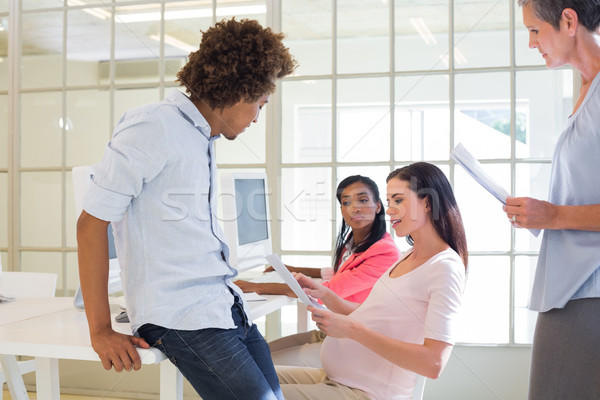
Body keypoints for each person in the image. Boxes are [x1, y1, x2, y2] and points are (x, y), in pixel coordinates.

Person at [76, 18, 296, 400]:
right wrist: (100, 330)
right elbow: (90, 224)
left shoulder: (201, 135)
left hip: (223, 306)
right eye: (259, 105)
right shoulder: (153, 126)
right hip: (182, 316)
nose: (257, 118)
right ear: (238, 92)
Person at [277, 162, 468, 400]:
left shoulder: (444, 268)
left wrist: (353, 330)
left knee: (246, 392)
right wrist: (326, 296)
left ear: (427, 203)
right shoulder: (408, 256)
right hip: (337, 380)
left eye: (398, 200)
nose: (389, 210)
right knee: (247, 377)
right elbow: (370, 315)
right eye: (389, 202)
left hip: (366, 393)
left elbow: (433, 363)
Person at [505, 1, 600, 398]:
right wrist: (542, 215)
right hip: (571, 285)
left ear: (568, 20)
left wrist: (554, 214)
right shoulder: (584, 90)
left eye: (534, 30)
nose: (530, 43)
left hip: (589, 287)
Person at [236, 175, 400, 367]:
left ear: (378, 206)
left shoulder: (384, 251)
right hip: (332, 332)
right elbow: (340, 273)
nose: (354, 208)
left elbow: (329, 292)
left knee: (258, 364)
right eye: (346, 202)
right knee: (257, 354)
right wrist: (294, 269)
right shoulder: (355, 242)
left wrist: (257, 287)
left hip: (353, 343)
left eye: (363, 200)